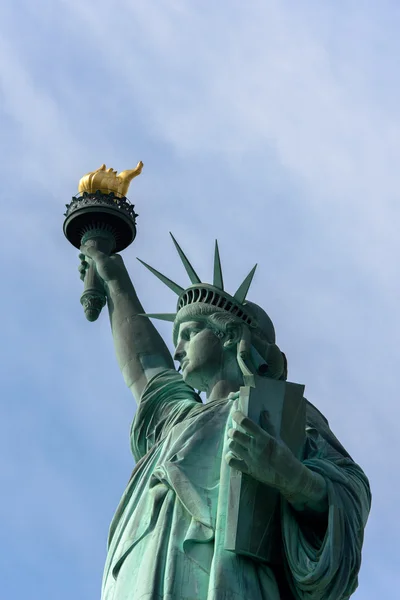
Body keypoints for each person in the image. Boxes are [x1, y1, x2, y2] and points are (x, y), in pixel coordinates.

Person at [79, 238, 371, 600]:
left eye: (188, 333)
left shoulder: (277, 411)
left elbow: (350, 491)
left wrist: (293, 478)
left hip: (233, 583)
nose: (177, 350)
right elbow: (147, 366)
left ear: (230, 334)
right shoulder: (178, 419)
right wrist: (114, 279)